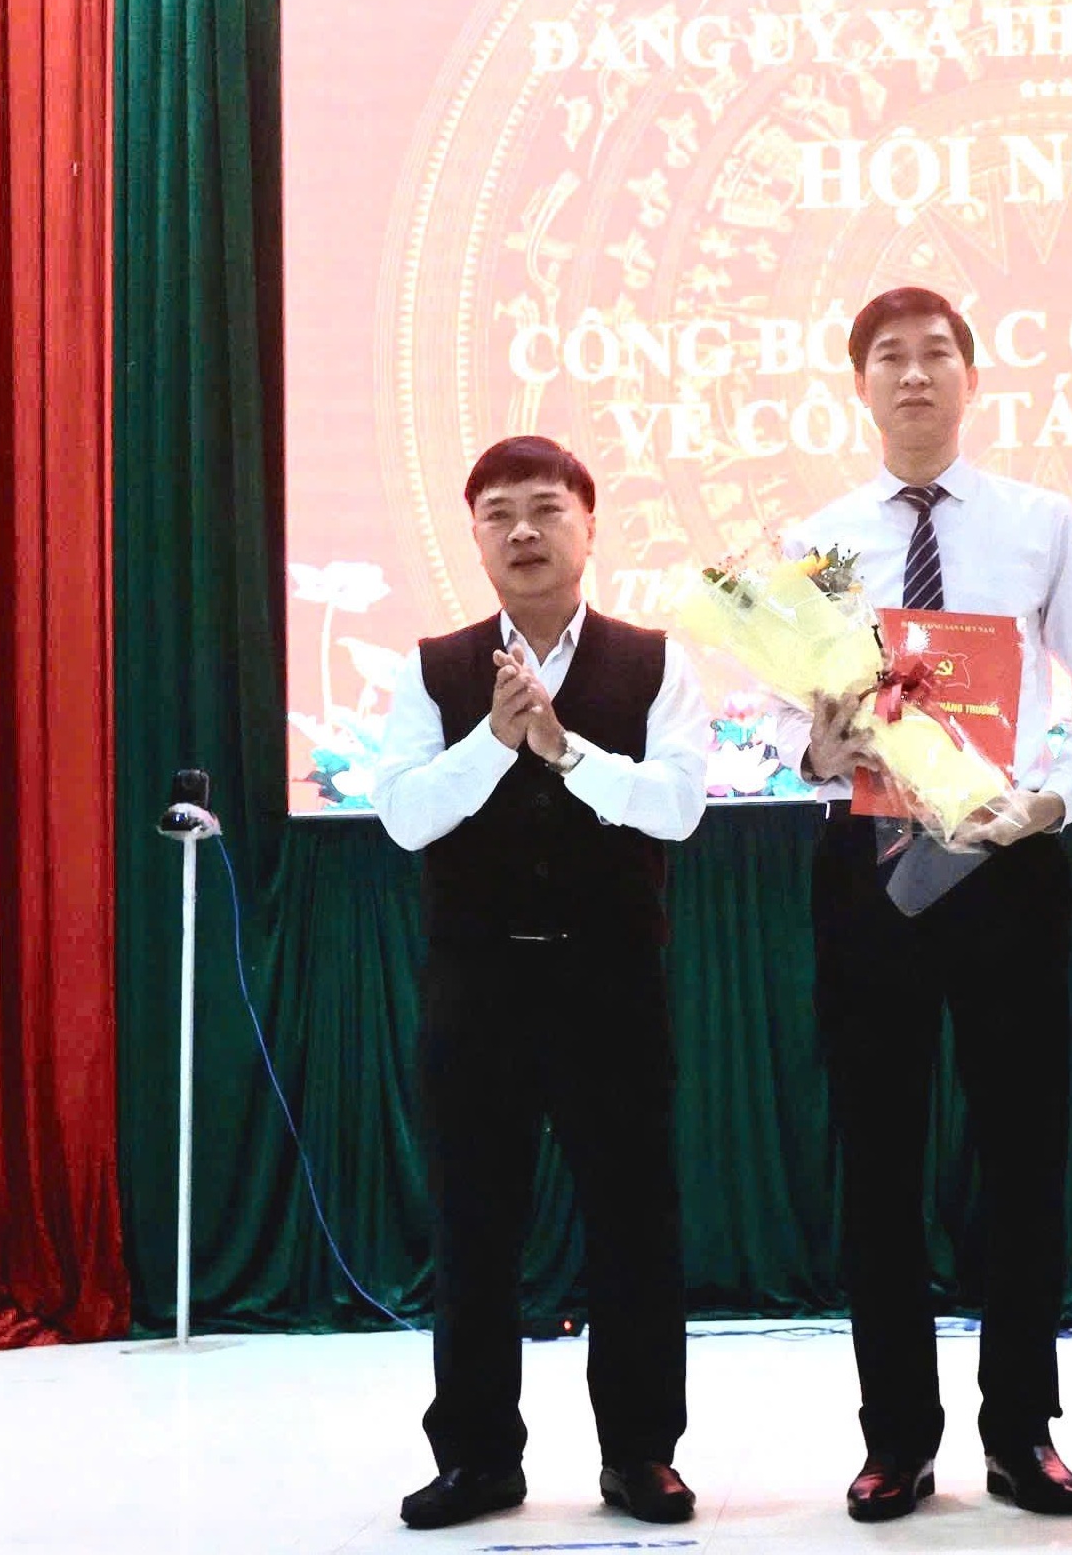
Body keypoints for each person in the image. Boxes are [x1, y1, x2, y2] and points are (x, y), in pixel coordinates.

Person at [773, 287, 1072, 1522]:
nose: (914, 374)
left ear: (971, 379)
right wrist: (818, 746)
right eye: (890, 356)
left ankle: (1023, 1430)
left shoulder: (1041, 522)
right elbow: (793, 715)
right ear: (859, 385)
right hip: (868, 862)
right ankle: (897, 1439)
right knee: (878, 1158)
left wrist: (1051, 798)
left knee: (1022, 1153)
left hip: (1008, 858)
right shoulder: (818, 541)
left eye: (936, 354)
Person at [371, 436, 709, 1530]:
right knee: (473, 1223)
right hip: (477, 984)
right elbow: (405, 814)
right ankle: (477, 1459)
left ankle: (640, 1455)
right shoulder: (432, 668)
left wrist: (563, 751)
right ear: (474, 537)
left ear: (589, 525)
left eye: (546, 509)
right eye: (499, 514)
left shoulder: (654, 661)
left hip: (612, 978)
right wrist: (492, 739)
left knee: (634, 1220)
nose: (523, 531)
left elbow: (677, 808)